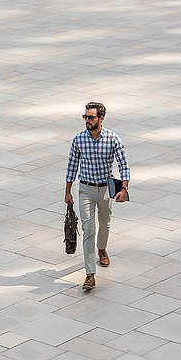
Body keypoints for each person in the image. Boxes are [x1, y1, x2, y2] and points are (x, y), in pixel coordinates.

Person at [65, 102, 130, 290]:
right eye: (85, 117)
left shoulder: (112, 138)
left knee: (105, 223)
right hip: (85, 188)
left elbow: (124, 165)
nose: (87, 120)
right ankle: (90, 274)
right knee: (88, 229)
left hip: (105, 189)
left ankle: (102, 248)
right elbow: (71, 166)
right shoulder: (78, 139)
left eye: (91, 117)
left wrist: (124, 189)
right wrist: (68, 191)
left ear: (101, 118)